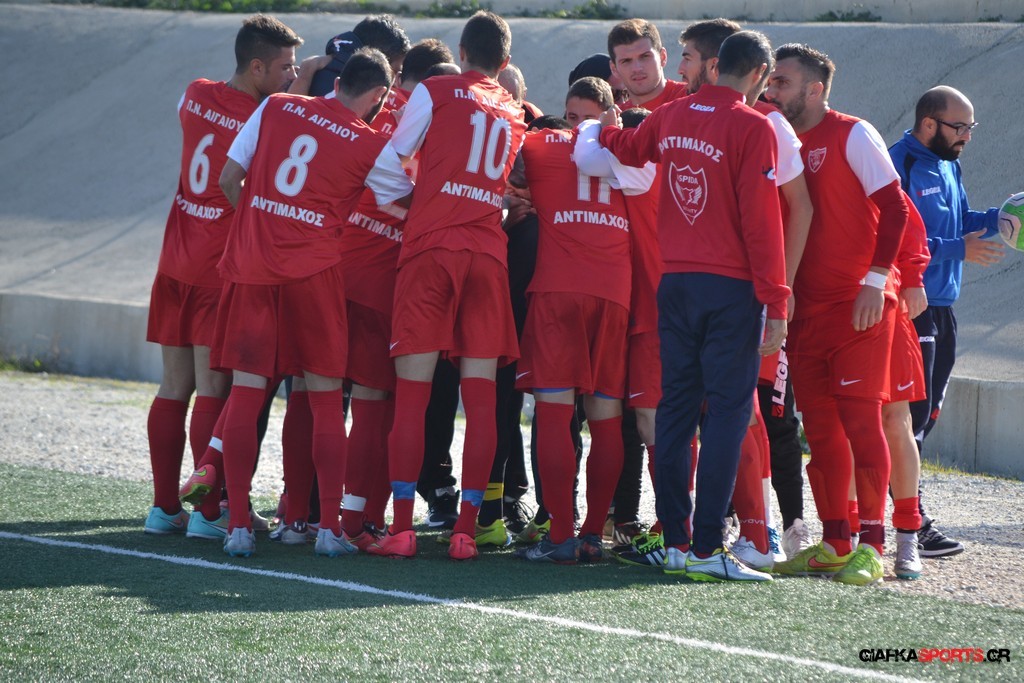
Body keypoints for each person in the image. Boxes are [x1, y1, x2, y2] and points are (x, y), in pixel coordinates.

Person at [597, 30, 789, 582]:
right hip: (729, 288)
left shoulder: (674, 113)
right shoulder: (753, 125)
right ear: (758, 74)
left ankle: (677, 543)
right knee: (727, 413)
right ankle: (707, 547)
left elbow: (629, 148)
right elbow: (762, 221)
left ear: (714, 65)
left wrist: (603, 129)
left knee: (676, 411)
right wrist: (777, 302)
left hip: (674, 283)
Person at [212, 48, 400, 558]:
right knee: (323, 399)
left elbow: (228, 179)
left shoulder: (276, 106)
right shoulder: (371, 142)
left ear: (336, 81)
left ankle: (238, 527)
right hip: (314, 275)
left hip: (253, 269)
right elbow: (402, 199)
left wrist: (258, 228)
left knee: (247, 393)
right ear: (378, 96)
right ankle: (328, 529)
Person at [364, 11, 528, 561]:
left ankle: (402, 529)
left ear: (461, 52)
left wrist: (427, 204)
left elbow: (385, 171)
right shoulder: (513, 108)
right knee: (481, 402)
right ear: (505, 62)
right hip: (487, 256)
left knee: (412, 397)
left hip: (432, 252)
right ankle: (465, 531)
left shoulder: (434, 90)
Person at [143, 14, 304, 537]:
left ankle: (164, 508)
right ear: (256, 67)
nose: (292, 75)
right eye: (285, 66)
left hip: (174, 260)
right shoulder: (263, 119)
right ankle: (208, 515)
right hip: (217, 269)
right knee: (213, 387)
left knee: (174, 386)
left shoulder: (194, 92)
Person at [766, 43, 910, 586]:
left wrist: (876, 280)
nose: (771, 90)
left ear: (815, 89)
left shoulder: (853, 133)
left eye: (782, 82)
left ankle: (873, 544)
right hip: (803, 311)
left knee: (861, 422)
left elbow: (896, 208)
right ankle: (835, 541)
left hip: (858, 305)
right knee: (821, 430)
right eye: (770, 81)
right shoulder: (776, 138)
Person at [675, 17, 813, 570]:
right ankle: (702, 533)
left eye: (687, 57)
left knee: (751, 410)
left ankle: (762, 530)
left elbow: (797, 206)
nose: (678, 67)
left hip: (747, 290)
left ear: (714, 65)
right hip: (703, 286)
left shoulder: (768, 124)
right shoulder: (684, 114)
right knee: (712, 408)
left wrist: (783, 288)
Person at [513, 77, 653, 564]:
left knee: (554, 413)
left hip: (559, 290)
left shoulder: (542, 145)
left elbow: (504, 170)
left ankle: (559, 535)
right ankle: (593, 533)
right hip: (614, 295)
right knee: (607, 418)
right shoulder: (630, 150)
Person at [888, 86, 1004, 558]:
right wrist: (959, 249)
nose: (967, 137)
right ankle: (909, 522)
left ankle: (903, 513)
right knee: (909, 418)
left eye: (971, 128)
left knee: (928, 415)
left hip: (943, 307)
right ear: (929, 124)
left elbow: (960, 221)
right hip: (909, 306)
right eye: (960, 127)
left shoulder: (949, 163)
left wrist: (1002, 218)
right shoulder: (899, 163)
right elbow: (893, 237)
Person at [607, 18, 689, 111]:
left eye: (645, 56)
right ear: (614, 69)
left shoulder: (693, 100)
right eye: (626, 61)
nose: (637, 68)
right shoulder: (617, 117)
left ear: (662, 57)